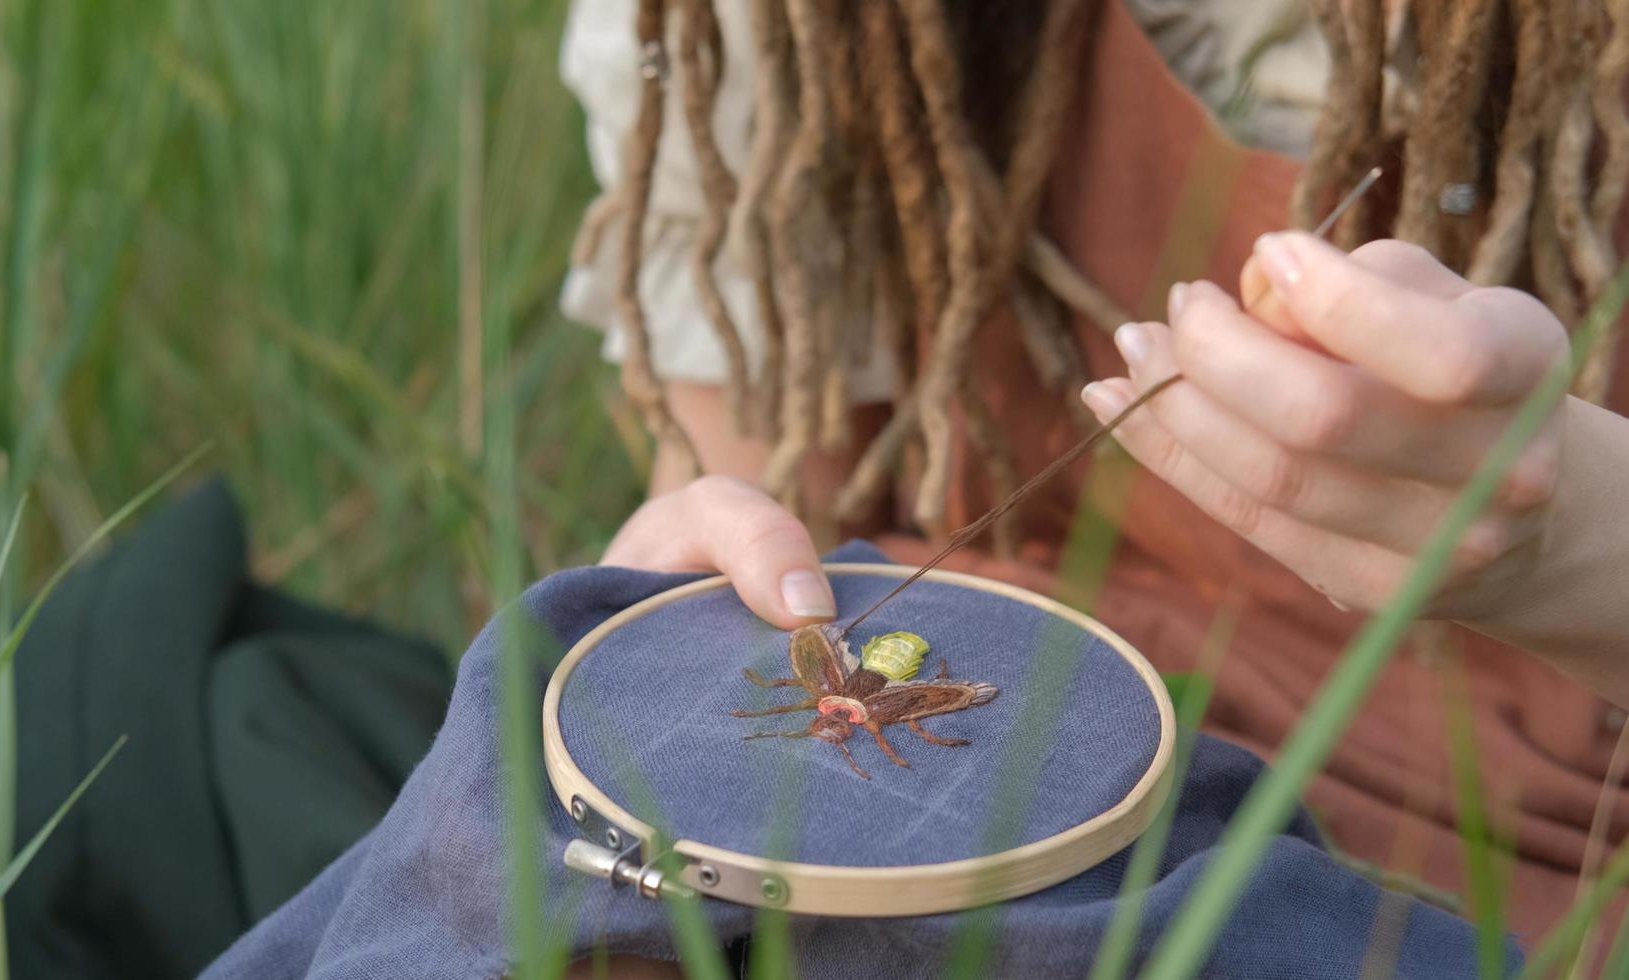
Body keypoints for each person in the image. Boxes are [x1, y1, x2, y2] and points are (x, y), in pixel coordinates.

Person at [569, 0, 1629, 949]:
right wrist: (688, 586)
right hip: (993, 776)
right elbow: (758, 510)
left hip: (1510, 836)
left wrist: (1572, 531)